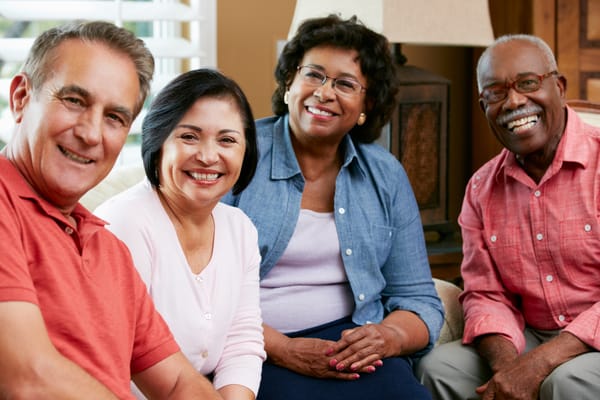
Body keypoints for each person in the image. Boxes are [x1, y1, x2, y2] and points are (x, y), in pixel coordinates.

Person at [222, 14, 443, 400]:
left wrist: (387, 337)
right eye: (314, 75)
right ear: (289, 82)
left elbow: (419, 299)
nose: (324, 93)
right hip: (253, 346)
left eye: (345, 84)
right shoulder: (238, 152)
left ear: (366, 105)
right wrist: (284, 349)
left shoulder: (385, 174)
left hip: (353, 344)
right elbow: (198, 293)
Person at [0, 21, 222, 399]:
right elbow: (29, 379)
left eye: (115, 118)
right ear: (21, 97)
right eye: (74, 101)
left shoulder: (108, 249)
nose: (91, 133)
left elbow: (178, 383)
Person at [416, 34, 600, 400]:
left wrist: (539, 364)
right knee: (439, 370)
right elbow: (485, 294)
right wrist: (507, 369)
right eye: (496, 93)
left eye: (528, 83)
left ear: (559, 87)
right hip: (529, 335)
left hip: (591, 340)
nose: (514, 101)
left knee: (565, 382)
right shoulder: (481, 189)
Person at [95, 68, 265, 400]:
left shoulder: (240, 227)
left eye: (227, 140)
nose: (208, 156)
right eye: (189, 136)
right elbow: (117, 360)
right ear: (158, 142)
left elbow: (241, 342)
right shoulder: (124, 223)